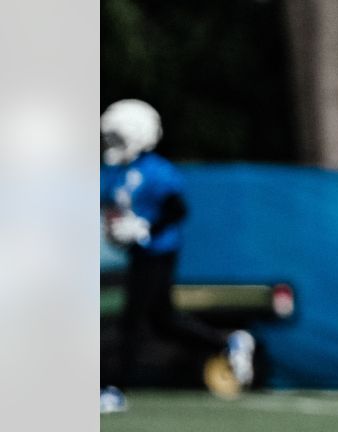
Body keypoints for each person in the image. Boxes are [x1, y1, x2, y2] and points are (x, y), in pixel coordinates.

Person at [99, 99, 255, 409]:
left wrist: (145, 229)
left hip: (159, 251)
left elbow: (177, 210)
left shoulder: (157, 172)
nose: (111, 144)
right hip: (140, 254)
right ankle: (227, 342)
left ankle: (113, 389)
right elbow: (107, 209)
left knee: (134, 320)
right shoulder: (115, 172)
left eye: (117, 137)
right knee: (162, 319)